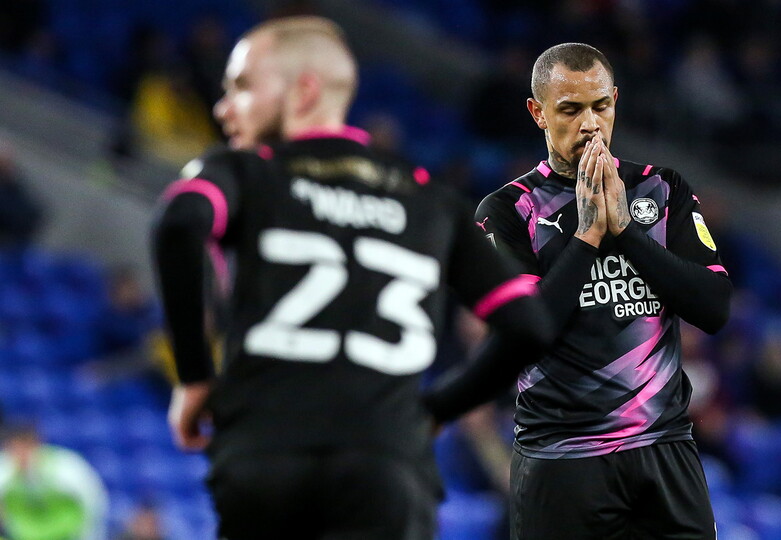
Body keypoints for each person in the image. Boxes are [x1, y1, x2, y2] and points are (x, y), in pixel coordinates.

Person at [150, 16, 553, 540]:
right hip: (386, 467)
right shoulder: (430, 198)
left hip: (266, 457)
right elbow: (530, 327)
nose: (224, 107)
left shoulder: (244, 171)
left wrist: (194, 375)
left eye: (243, 87)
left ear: (305, 91)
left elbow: (180, 223)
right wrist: (438, 408)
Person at [465, 42, 732, 538]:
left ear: (615, 101)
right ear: (538, 113)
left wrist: (626, 233)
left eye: (600, 106)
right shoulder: (507, 210)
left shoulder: (661, 188)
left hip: (664, 452)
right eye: (570, 109)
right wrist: (588, 234)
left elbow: (714, 308)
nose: (590, 123)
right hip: (563, 459)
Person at [0, 423, 108, 540]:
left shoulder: (66, 467)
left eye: (24, 447)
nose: (20, 455)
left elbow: (94, 501)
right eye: (13, 448)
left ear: (36, 444)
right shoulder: (5, 468)